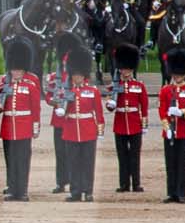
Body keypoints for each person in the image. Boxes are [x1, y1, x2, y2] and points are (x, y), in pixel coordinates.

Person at [54, 44, 104, 202]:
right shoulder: (65, 91)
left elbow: (99, 112)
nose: (76, 78)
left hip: (88, 130)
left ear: (84, 75)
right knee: (73, 163)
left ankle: (88, 191)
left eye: (79, 75)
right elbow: (60, 108)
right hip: (71, 130)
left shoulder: (93, 91)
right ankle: (75, 191)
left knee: (88, 163)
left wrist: (100, 130)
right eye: (74, 75)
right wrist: (60, 109)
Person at [0, 40, 40, 201]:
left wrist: (35, 127)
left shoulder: (32, 81)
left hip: (24, 127)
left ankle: (22, 190)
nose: (15, 72)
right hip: (8, 127)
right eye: (13, 69)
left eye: (18, 69)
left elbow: (35, 107)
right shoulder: (4, 80)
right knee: (10, 160)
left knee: (22, 159)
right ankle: (12, 188)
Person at [157, 48, 185, 204]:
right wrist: (167, 128)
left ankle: (181, 193)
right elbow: (162, 110)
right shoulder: (166, 90)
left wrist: (182, 112)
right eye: (175, 74)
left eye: (180, 74)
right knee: (170, 163)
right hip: (170, 132)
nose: (177, 76)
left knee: (182, 163)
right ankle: (171, 192)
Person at [109, 44, 147, 193]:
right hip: (120, 124)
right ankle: (124, 183)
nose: (125, 72)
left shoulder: (139, 86)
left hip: (135, 124)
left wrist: (144, 125)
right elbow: (111, 106)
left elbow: (143, 107)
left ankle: (136, 183)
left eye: (128, 69)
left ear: (132, 69)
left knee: (134, 156)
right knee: (122, 156)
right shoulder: (115, 86)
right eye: (123, 69)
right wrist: (110, 103)